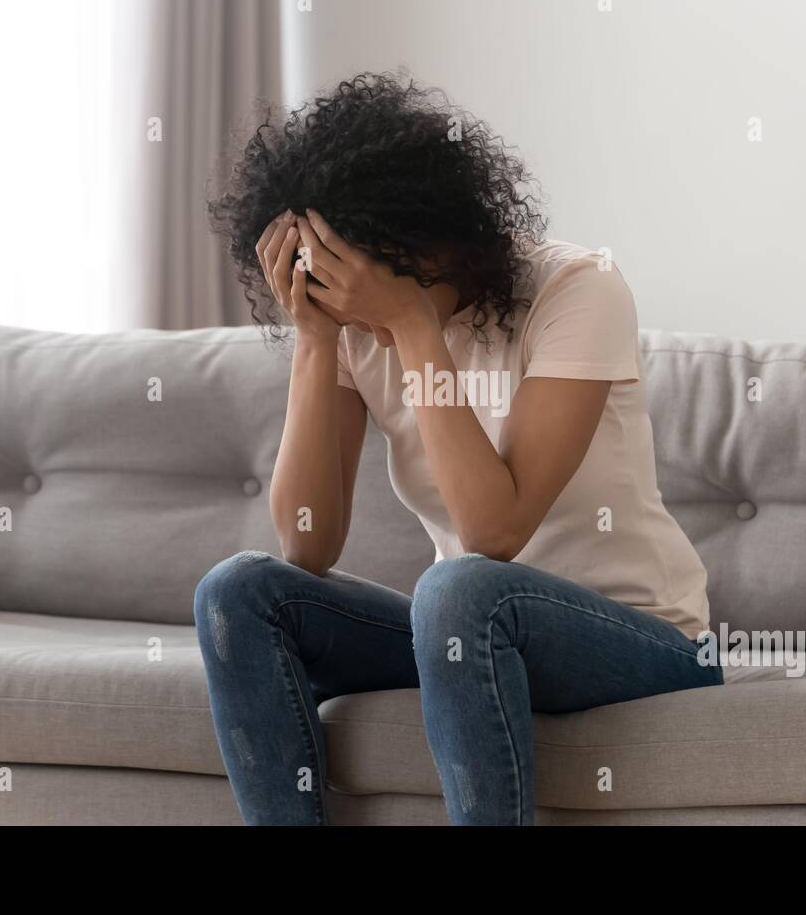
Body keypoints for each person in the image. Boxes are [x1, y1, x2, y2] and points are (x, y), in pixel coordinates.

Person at [194, 72, 722, 826]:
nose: (363, 329)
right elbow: (306, 546)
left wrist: (412, 328)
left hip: (641, 641)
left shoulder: (577, 290)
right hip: (469, 633)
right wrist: (316, 340)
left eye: (365, 295)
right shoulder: (349, 323)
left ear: (432, 246)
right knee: (239, 591)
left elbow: (493, 531)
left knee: (458, 586)